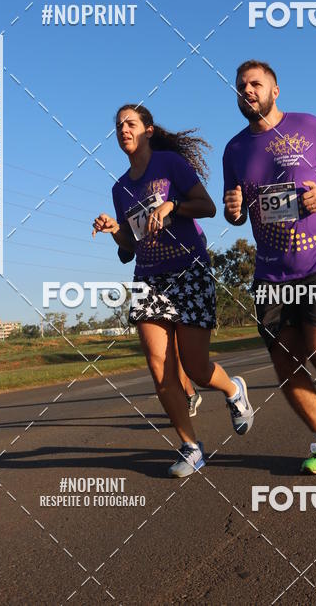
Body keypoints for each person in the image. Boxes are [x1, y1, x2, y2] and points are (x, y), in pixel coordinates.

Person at [223, 59, 316, 475]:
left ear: (275, 90)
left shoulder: (308, 125)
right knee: (287, 364)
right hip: (272, 273)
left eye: (255, 83)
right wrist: (232, 210)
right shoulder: (234, 150)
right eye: (240, 86)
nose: (247, 90)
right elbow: (235, 211)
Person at [93, 104, 254, 477]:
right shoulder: (120, 188)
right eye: (118, 126)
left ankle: (233, 390)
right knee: (159, 367)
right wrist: (112, 229)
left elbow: (209, 207)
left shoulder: (170, 166)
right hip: (149, 277)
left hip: (189, 270)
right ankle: (191, 447)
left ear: (148, 130)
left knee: (196, 368)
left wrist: (171, 205)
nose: (123, 130)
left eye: (130, 123)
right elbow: (131, 247)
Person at [117, 244, 202, 416]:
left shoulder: (180, 221)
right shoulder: (130, 216)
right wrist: (118, 233)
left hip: (182, 277)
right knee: (163, 356)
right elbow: (125, 254)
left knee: (183, 356)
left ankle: (192, 394)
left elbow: (199, 232)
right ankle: (187, 400)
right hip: (151, 282)